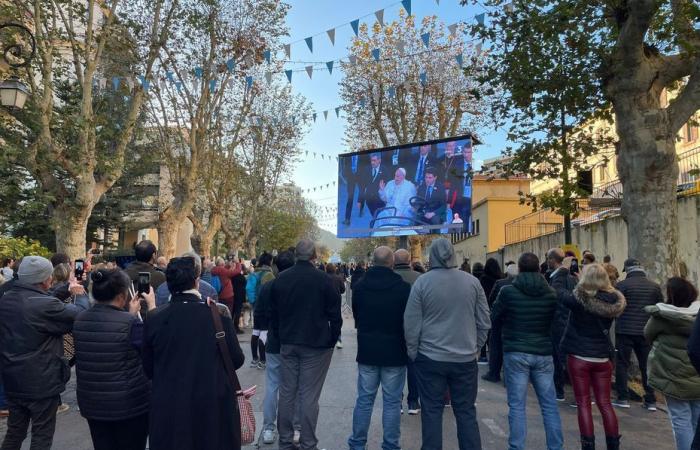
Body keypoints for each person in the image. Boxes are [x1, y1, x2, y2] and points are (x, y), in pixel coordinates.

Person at [143, 257, 245, 450]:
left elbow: (148, 368)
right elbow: (237, 360)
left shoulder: (155, 318)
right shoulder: (218, 315)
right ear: (196, 281)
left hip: (169, 405)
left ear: (168, 284)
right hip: (212, 403)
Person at [404, 238, 491, 450]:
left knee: (432, 412)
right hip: (464, 359)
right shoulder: (472, 282)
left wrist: (413, 352)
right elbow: (484, 321)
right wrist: (476, 347)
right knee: (466, 412)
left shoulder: (422, 283)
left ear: (431, 256)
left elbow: (411, 322)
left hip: (430, 358)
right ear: (453, 254)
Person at [0, 256, 90, 450]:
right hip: (41, 381)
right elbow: (81, 314)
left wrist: (66, 288)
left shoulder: (7, 298)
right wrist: (80, 294)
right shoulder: (43, 305)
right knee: (42, 434)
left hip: (13, 378)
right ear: (44, 278)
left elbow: (42, 298)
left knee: (15, 431)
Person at [270, 239, 342, 450]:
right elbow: (335, 314)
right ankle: (308, 443)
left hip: (288, 342)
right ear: (314, 256)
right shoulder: (324, 280)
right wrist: (332, 337)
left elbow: (273, 314)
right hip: (316, 344)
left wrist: (279, 336)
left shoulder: (281, 279)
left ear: (295, 256)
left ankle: (284, 441)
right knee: (309, 395)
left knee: (287, 393)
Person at [73, 269, 156, 450]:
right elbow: (151, 350)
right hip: (129, 405)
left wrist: (130, 315)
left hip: (93, 403)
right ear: (122, 295)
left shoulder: (80, 319)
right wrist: (151, 309)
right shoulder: (130, 323)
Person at [491, 253, 564, 450]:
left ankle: (517, 446)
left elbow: (494, 315)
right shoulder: (550, 294)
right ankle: (555, 446)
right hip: (543, 351)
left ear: (520, 269)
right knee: (549, 405)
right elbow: (555, 321)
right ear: (540, 269)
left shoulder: (508, 292)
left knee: (516, 405)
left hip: (515, 350)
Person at [348, 247, 411, 450]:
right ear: (392, 263)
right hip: (395, 351)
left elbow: (356, 316)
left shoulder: (360, 286)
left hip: (367, 350)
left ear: (372, 261)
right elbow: (407, 321)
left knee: (364, 400)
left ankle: (357, 444)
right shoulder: (403, 288)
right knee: (392, 403)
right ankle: (391, 445)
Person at [559, 263, 626, 450]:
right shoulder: (614, 301)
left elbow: (558, 291)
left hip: (579, 356)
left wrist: (564, 270)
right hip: (602, 356)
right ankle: (613, 444)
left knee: (583, 403)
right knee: (605, 403)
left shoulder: (578, 300)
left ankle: (588, 445)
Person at [645, 277, 700, 450]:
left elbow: (648, 334)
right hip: (697, 374)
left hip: (672, 374)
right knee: (697, 419)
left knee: (679, 419)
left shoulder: (662, 316)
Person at [258, 251, 303, 445]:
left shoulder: (268, 286)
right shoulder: (299, 287)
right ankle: (294, 428)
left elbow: (259, 313)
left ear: (276, 266)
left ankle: (268, 428)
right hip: (294, 341)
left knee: (272, 385)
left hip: (274, 342)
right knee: (295, 387)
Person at [613, 258, 663, 410]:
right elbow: (659, 307)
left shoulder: (621, 285)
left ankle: (622, 398)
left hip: (624, 331)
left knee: (622, 364)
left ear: (627, 270)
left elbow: (616, 306)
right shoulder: (654, 286)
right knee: (645, 366)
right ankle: (650, 400)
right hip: (646, 332)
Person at [547, 247, 578, 401]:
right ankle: (575, 393)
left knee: (558, 358)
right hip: (570, 321)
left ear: (553, 260)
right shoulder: (573, 279)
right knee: (568, 358)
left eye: (548, 258)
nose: (547, 262)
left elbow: (554, 297)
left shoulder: (557, 278)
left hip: (559, 321)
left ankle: (559, 390)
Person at [482, 261, 518, 383]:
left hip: (499, 319)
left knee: (496, 345)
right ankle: (509, 377)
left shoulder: (500, 284)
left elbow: (491, 299)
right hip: (514, 320)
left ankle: (494, 372)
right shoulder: (520, 285)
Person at [250, 252, 275, 369]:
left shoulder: (254, 272)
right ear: (269, 261)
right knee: (264, 333)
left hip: (256, 306)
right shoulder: (269, 275)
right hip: (266, 307)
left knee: (255, 332)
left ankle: (254, 359)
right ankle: (263, 361)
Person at [478, 258, 504, 364]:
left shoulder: (483, 279)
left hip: (486, 307)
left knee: (485, 330)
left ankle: (483, 356)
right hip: (498, 308)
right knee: (495, 335)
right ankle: (496, 358)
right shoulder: (501, 278)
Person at [359, 153, 388, 219]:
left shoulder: (385, 170)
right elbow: (362, 185)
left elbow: (388, 184)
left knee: (380, 216)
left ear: (379, 160)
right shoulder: (367, 169)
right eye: (371, 160)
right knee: (374, 215)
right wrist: (360, 200)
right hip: (369, 199)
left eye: (374, 160)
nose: (372, 162)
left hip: (379, 199)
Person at [342, 153, 365, 225]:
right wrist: (345, 176)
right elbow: (345, 166)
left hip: (360, 176)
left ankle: (361, 210)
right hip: (351, 177)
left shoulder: (363, 155)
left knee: (361, 193)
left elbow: (366, 165)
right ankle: (347, 219)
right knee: (350, 197)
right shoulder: (348, 157)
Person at [231, 260, 247, 333]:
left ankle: (231, 327)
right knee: (237, 311)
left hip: (232, 295)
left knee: (232, 311)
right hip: (240, 296)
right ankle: (236, 327)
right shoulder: (241, 277)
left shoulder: (231, 276)